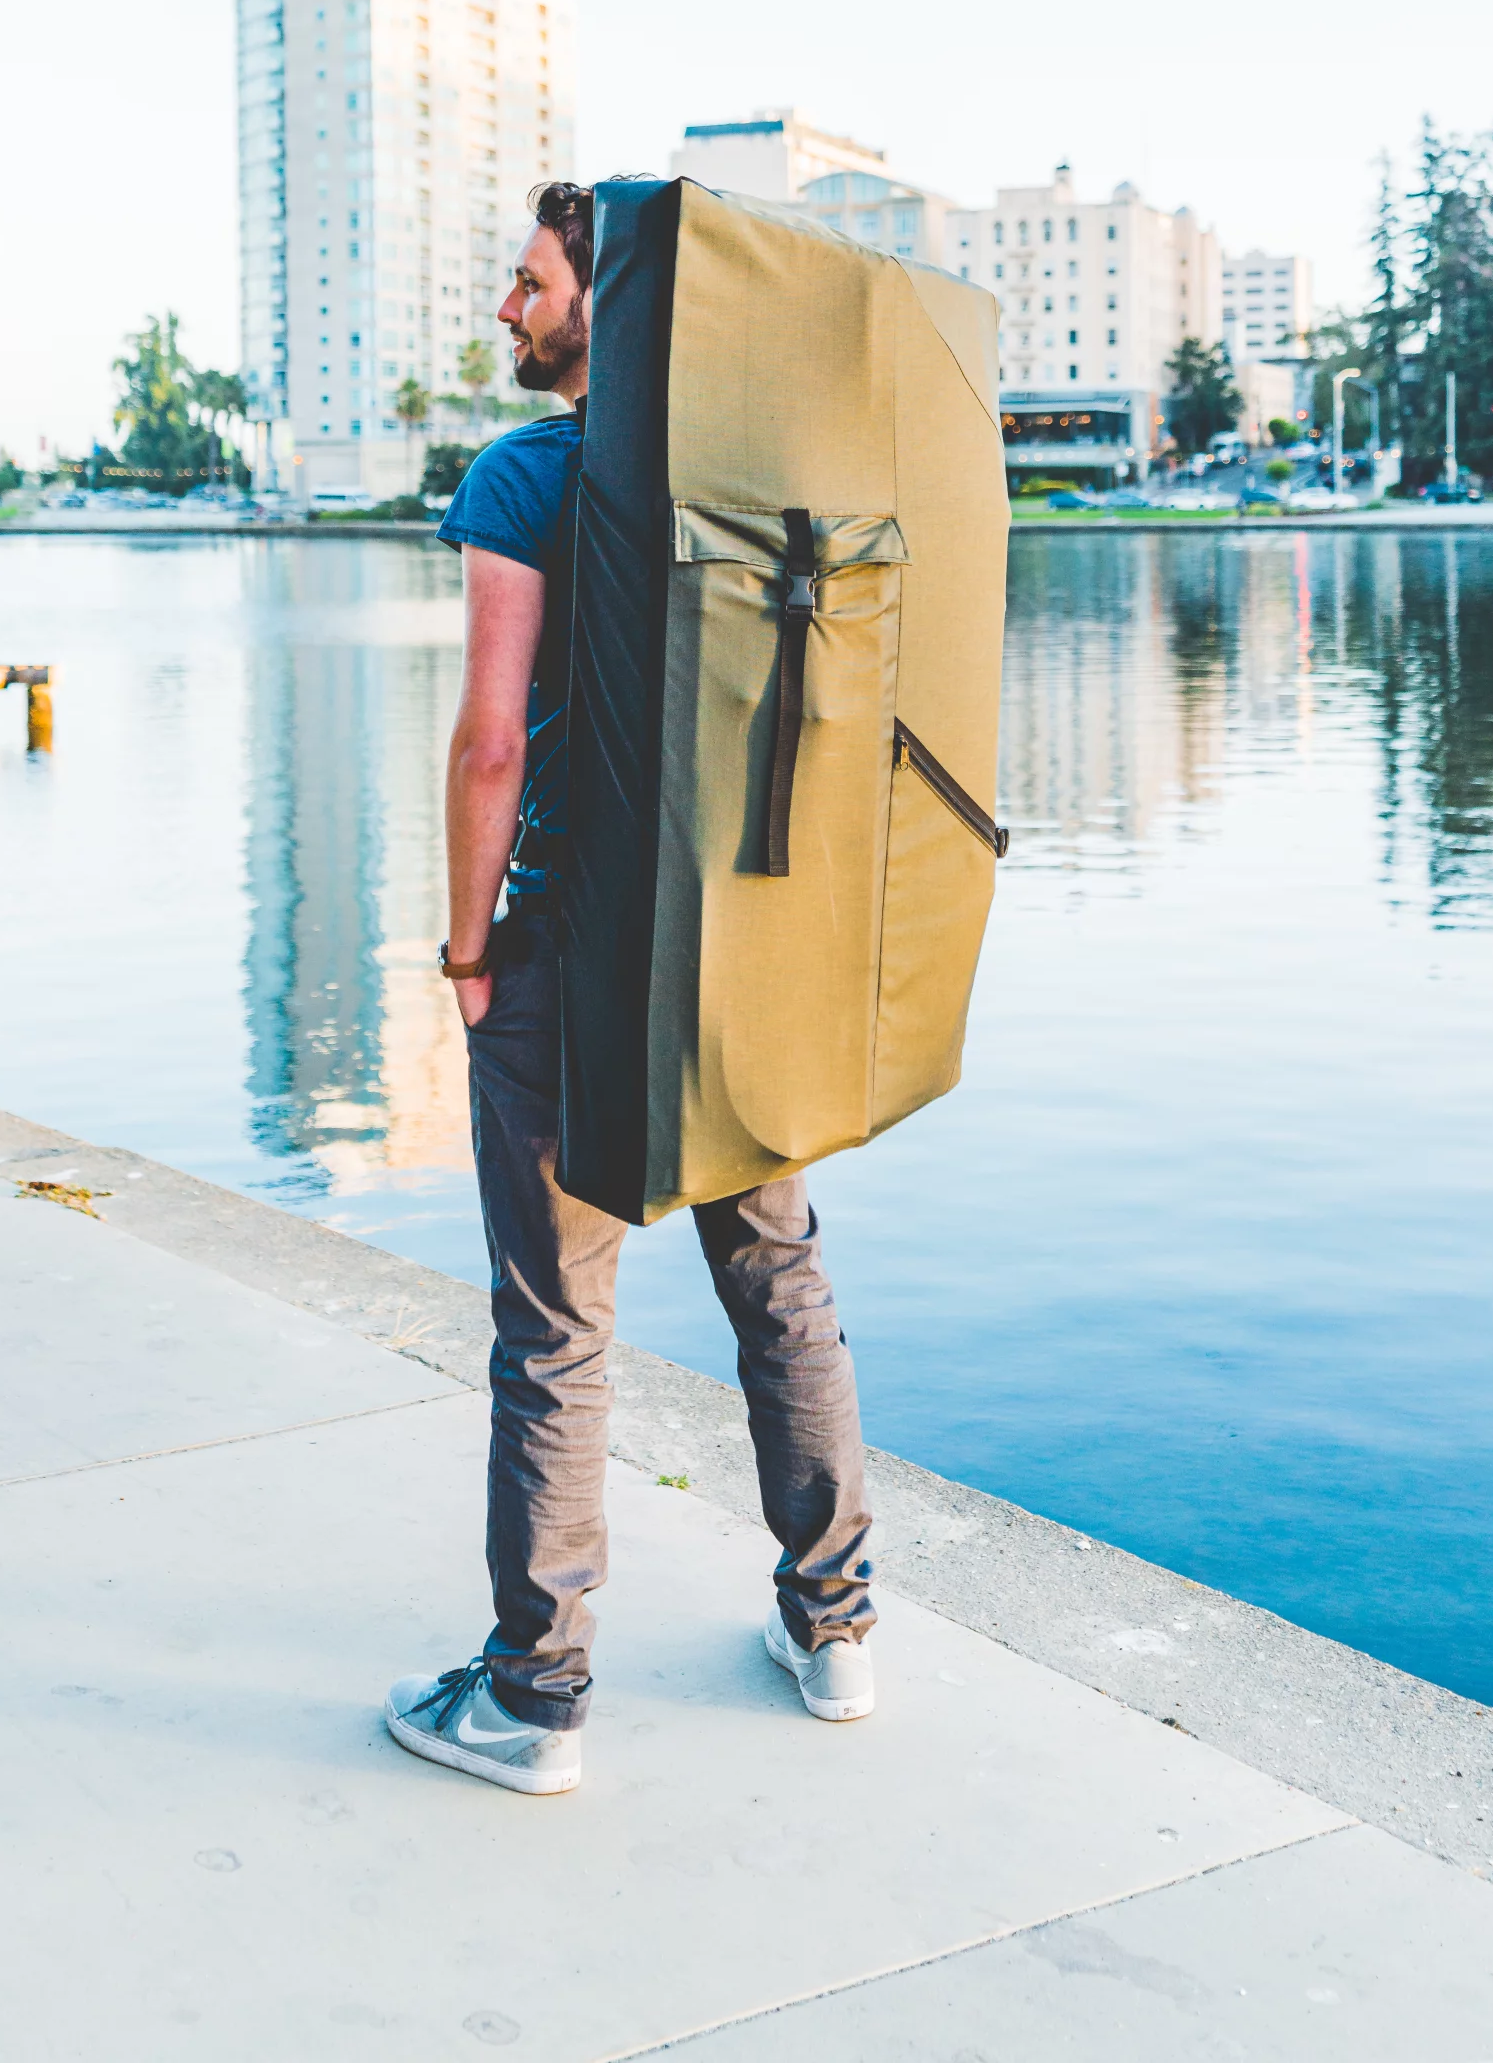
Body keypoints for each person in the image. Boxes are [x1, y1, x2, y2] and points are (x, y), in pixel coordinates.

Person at [384, 180, 876, 1797]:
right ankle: (835, 1630)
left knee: (556, 1331)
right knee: (779, 1283)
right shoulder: (751, 481)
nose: (506, 312)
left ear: (609, 301)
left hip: (572, 960)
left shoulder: (532, 471)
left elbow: (491, 745)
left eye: (527, 284)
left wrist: (465, 957)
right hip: (740, 952)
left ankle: (534, 1701)